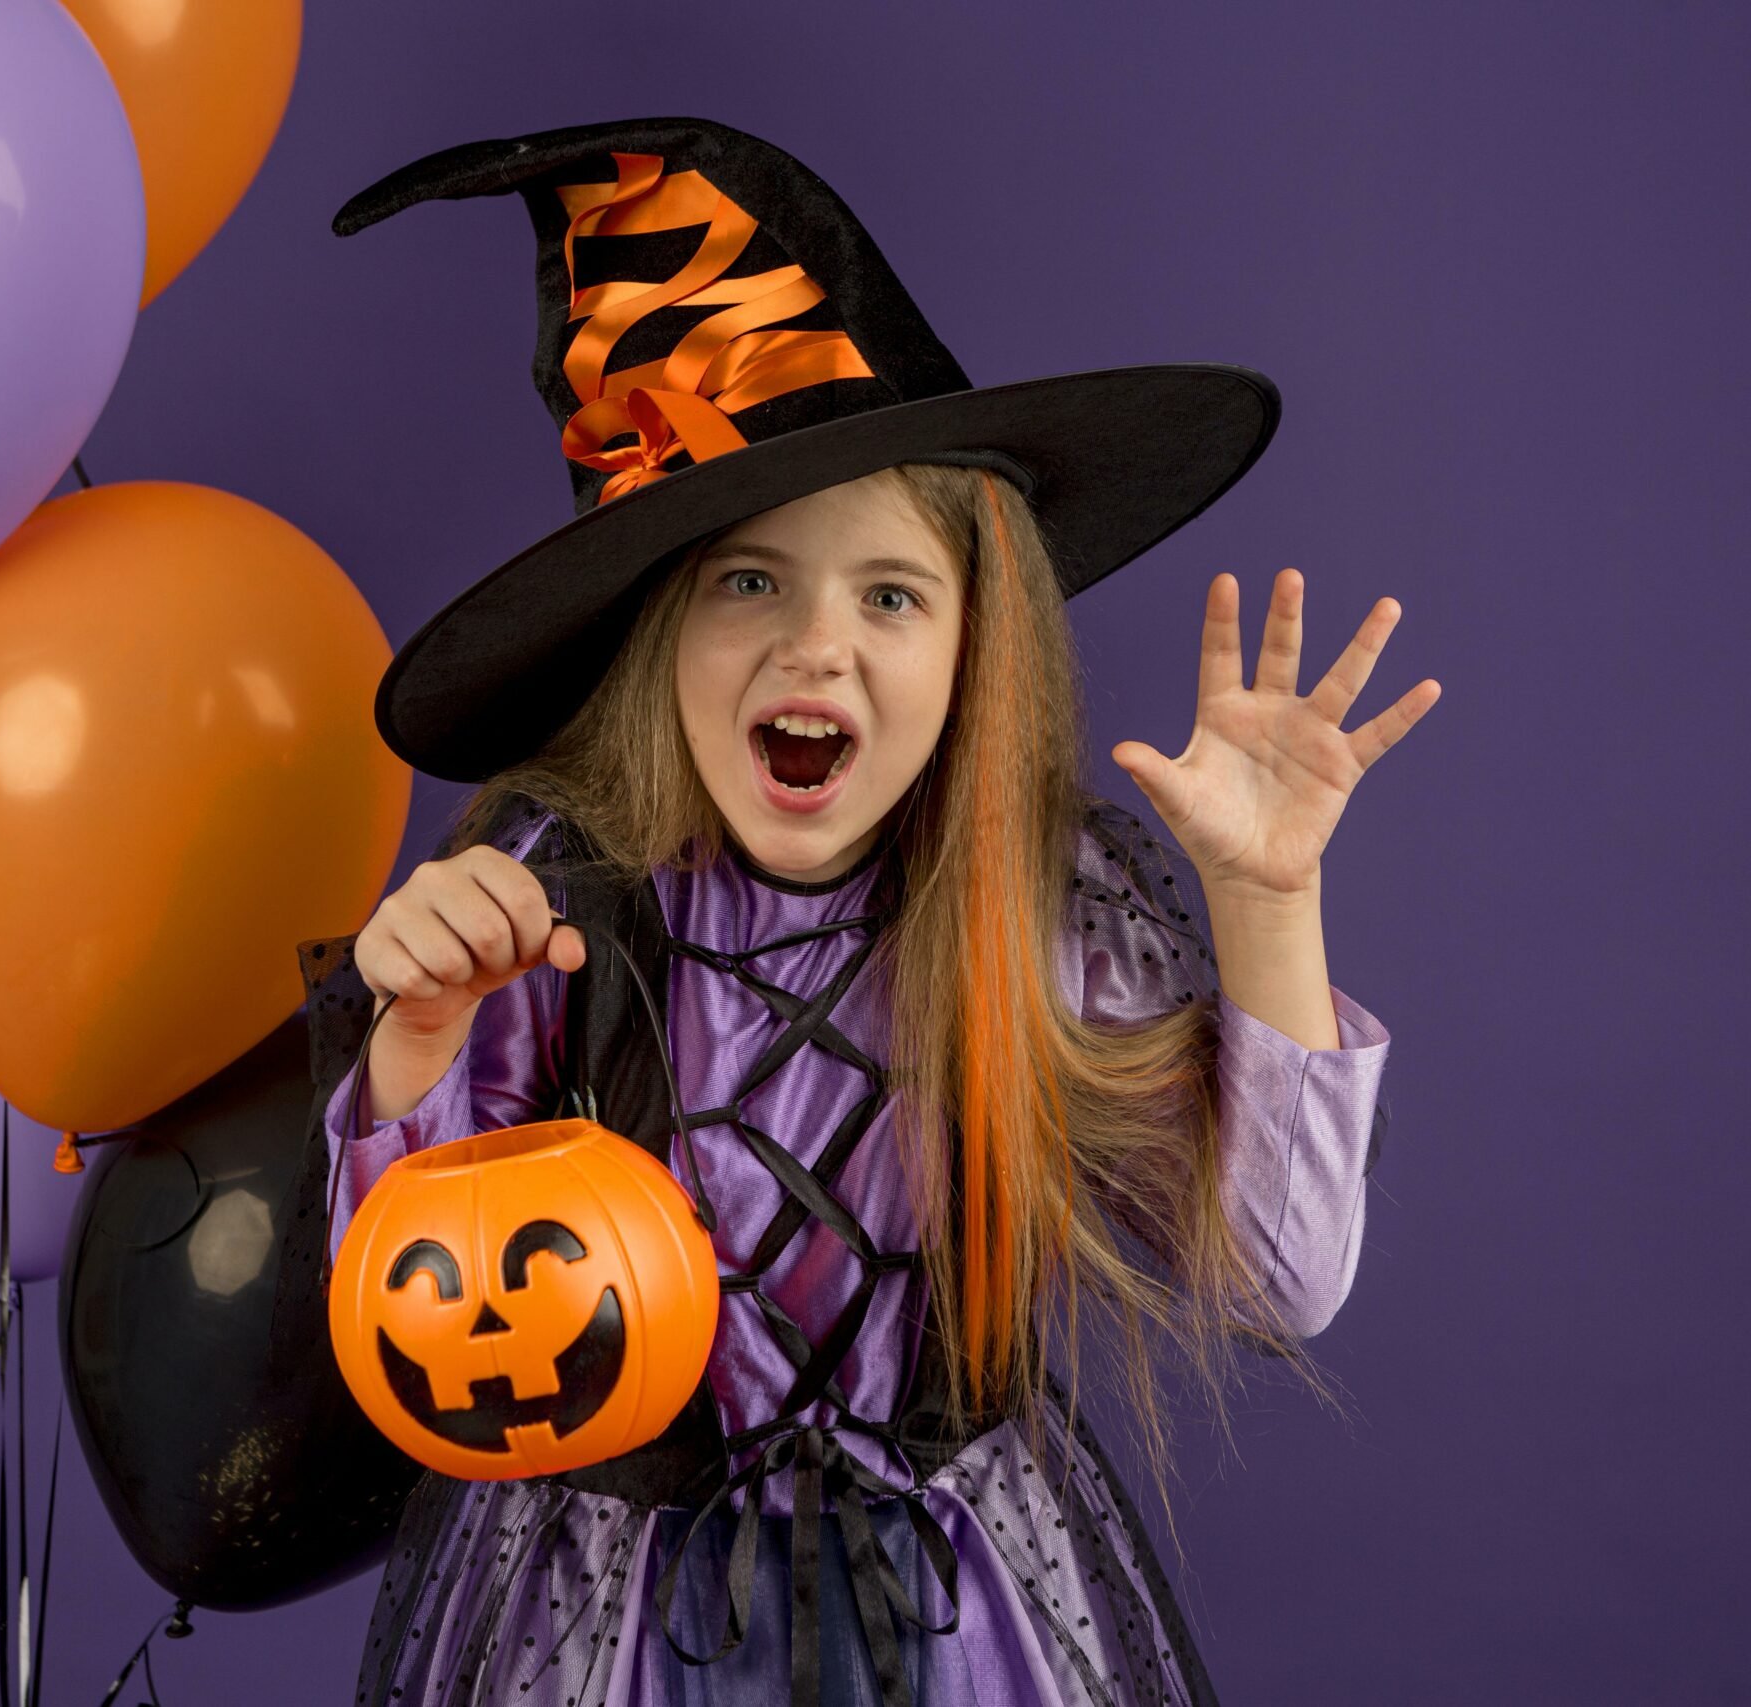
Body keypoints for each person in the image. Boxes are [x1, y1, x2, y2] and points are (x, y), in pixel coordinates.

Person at [316, 117, 1436, 1707]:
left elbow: (1276, 1277)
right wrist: (422, 1043)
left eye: (890, 595)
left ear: (983, 643)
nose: (817, 649)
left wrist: (1268, 899)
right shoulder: (554, 900)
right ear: (659, 633)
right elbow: (419, 1346)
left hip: (956, 1625)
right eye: (747, 582)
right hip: (611, 1634)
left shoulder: (1035, 906)